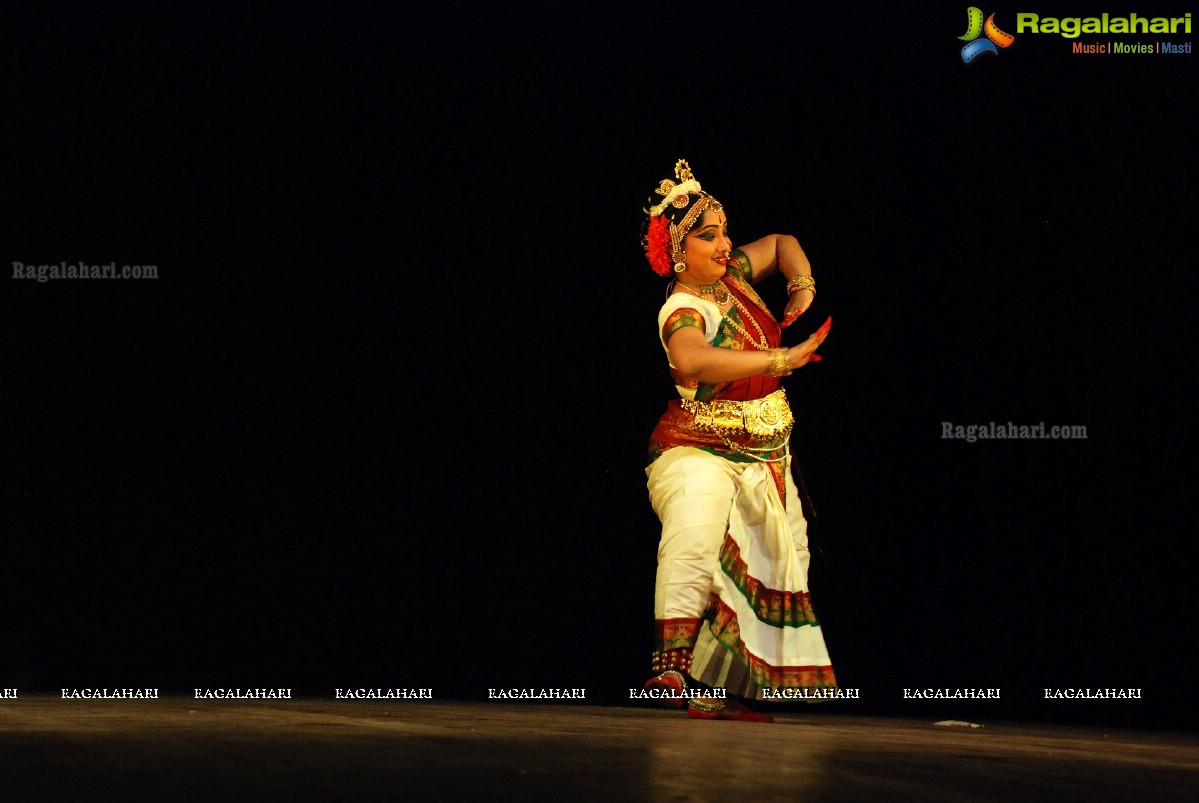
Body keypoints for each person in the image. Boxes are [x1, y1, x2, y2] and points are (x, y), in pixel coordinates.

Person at [640, 159, 837, 722]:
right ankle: (672, 668)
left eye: (725, 231)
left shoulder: (734, 278)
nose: (726, 245)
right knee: (697, 533)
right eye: (709, 237)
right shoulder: (683, 307)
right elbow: (692, 358)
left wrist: (801, 288)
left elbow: (781, 242)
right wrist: (781, 358)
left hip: (767, 452)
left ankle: (724, 683)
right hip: (696, 448)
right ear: (678, 253)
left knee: (787, 556)